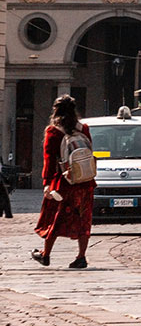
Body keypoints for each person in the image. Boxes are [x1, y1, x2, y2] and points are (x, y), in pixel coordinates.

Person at [29, 94, 93, 269]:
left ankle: (46, 254)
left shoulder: (53, 131)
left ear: (55, 111)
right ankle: (81, 256)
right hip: (84, 182)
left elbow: (49, 160)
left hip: (63, 182)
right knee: (83, 218)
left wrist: (47, 183)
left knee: (55, 218)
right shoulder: (84, 128)